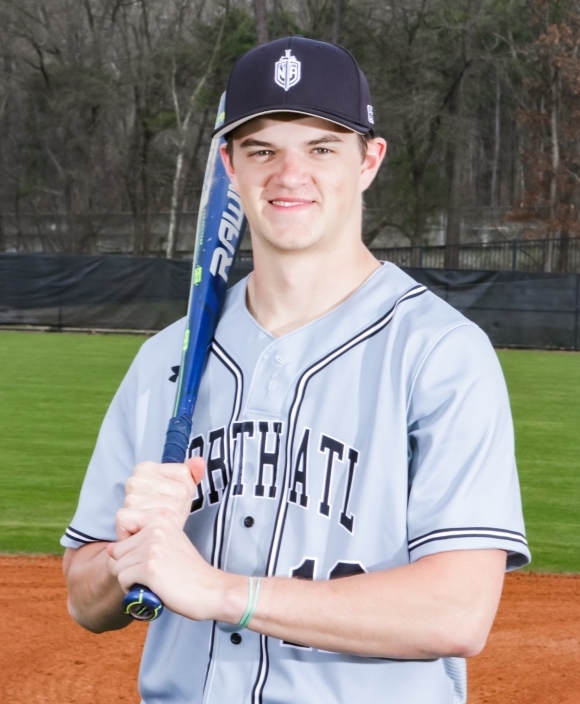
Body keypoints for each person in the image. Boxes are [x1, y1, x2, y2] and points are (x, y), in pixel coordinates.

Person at [62, 36, 530, 704]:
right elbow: (85, 598)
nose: (289, 174)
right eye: (261, 150)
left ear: (369, 160)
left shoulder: (440, 355)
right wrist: (126, 556)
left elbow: (457, 610)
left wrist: (223, 593)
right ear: (229, 165)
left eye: (321, 148)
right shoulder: (165, 359)